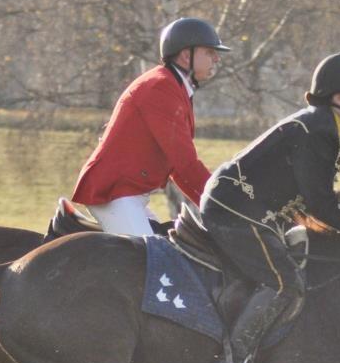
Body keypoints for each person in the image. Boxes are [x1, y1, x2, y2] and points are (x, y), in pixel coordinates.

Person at [200, 52, 340, 363]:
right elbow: (320, 204)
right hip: (237, 211)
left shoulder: (322, 124)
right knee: (285, 284)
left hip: (242, 208)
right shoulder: (319, 130)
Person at [67, 18, 230, 236]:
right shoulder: (161, 87)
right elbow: (186, 164)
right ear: (185, 55)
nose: (216, 58)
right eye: (210, 52)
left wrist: (211, 204)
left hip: (128, 194)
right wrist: (225, 204)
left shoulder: (175, 87)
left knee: (170, 249)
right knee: (151, 260)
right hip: (113, 193)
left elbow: (177, 168)